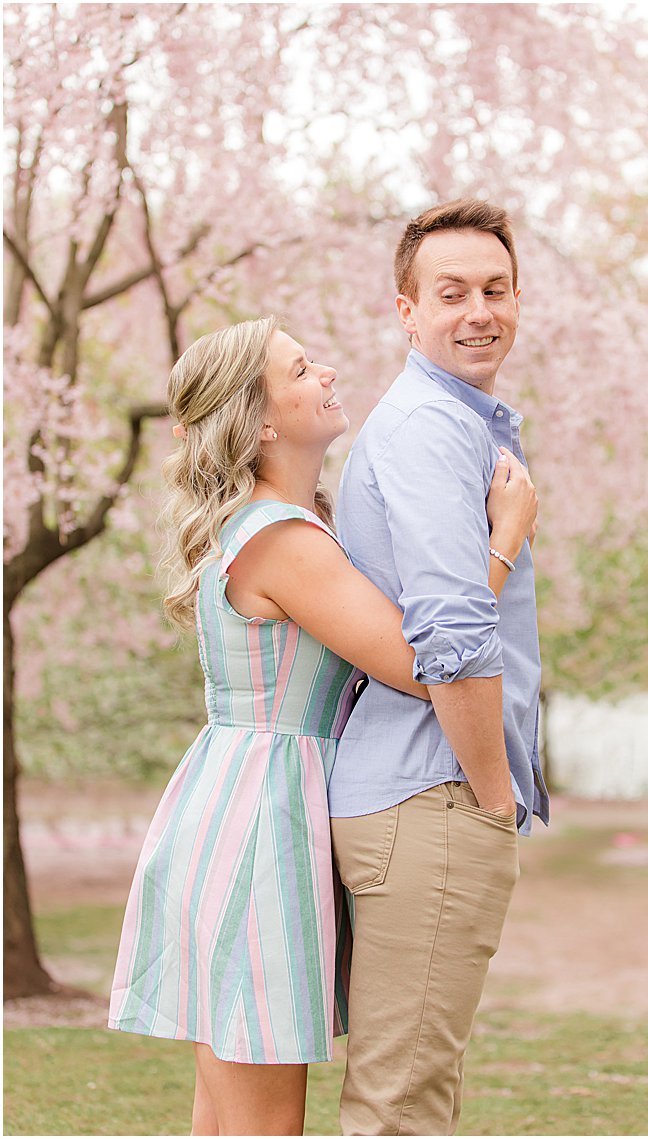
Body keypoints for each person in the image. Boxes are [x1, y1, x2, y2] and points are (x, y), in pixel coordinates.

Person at [108, 317, 536, 1135]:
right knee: (263, 1125)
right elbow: (423, 664)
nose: (328, 372)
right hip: (258, 831)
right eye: (301, 368)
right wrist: (504, 539)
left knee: (229, 1119)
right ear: (261, 420)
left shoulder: (284, 530)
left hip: (237, 808)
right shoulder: (283, 541)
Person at [327, 197, 549, 1135]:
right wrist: (494, 791)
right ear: (405, 309)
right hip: (435, 790)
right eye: (450, 292)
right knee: (400, 1106)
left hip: (419, 791)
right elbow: (452, 629)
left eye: (494, 289)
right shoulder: (430, 426)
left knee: (419, 1090)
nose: (478, 312)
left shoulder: (460, 421)